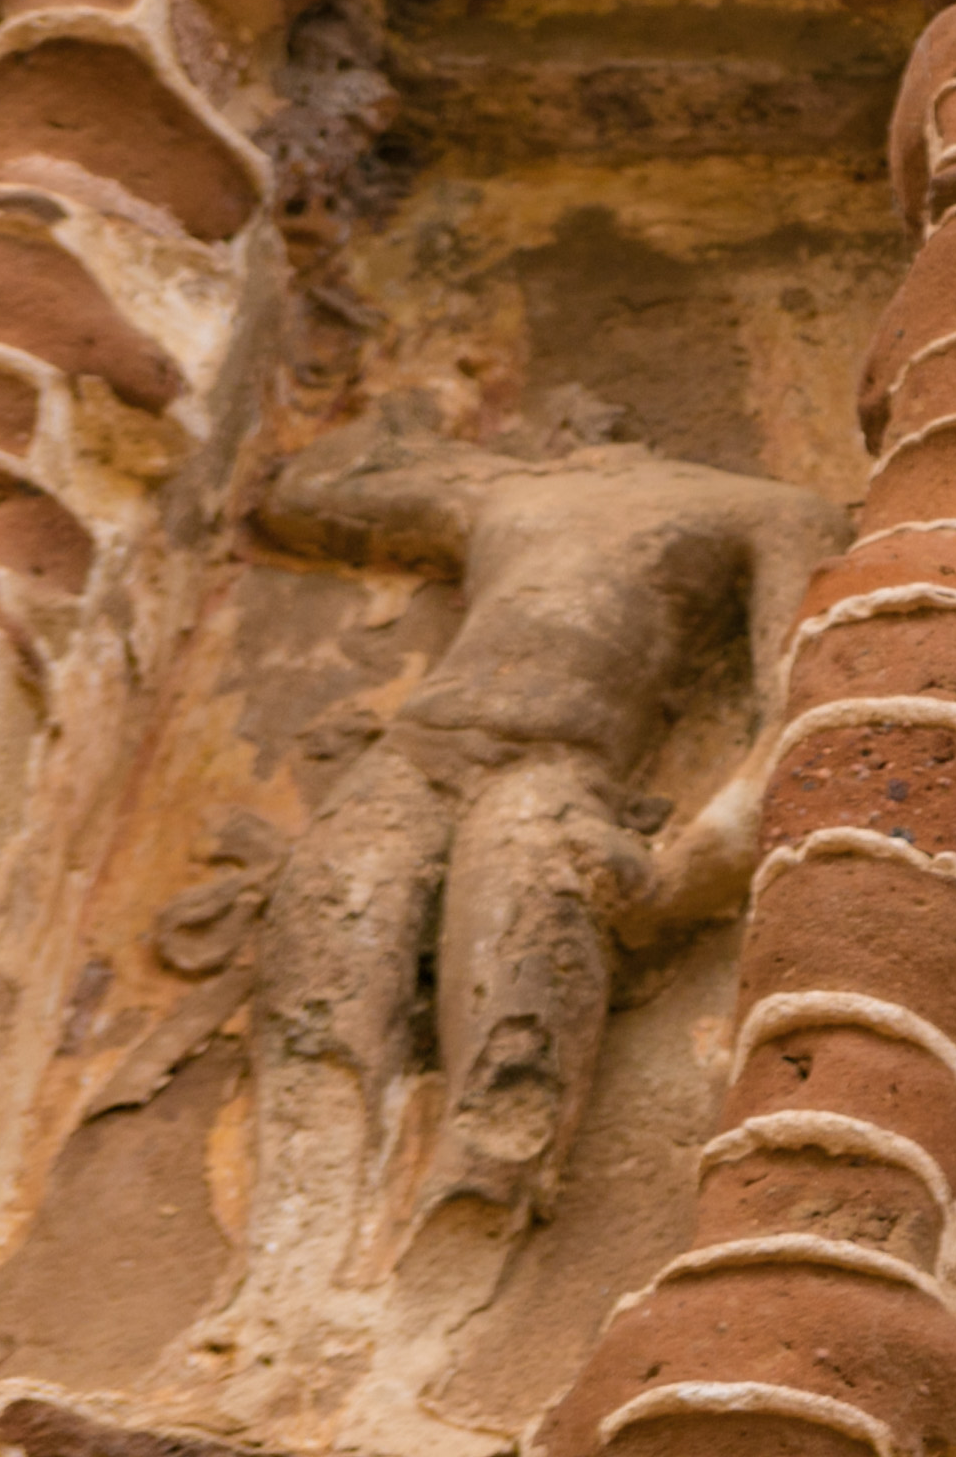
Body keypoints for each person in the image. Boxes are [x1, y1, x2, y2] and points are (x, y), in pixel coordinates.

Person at [224, 401, 841, 1323]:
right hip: (411, 760)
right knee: (320, 1003)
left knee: (510, 1050)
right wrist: (415, 415)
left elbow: (797, 707)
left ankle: (436, 1308)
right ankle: (281, 1283)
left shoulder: (758, 508)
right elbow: (302, 494)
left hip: (554, 770)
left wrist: (690, 867)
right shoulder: (506, 490)